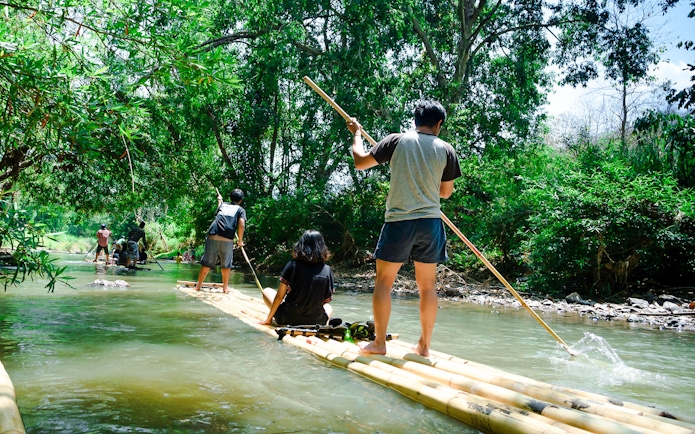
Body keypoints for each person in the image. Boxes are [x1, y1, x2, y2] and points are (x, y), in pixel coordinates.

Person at [347, 100, 462, 357]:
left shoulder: (396, 140)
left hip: (399, 221)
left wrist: (356, 134)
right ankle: (424, 346)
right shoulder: (447, 149)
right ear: (439, 123)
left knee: (384, 283)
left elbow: (360, 162)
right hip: (431, 222)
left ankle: (379, 344)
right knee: (428, 286)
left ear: (415, 120)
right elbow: (445, 193)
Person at [260, 230, 334, 326]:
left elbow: (279, 296)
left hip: (288, 318)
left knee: (267, 291)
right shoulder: (327, 270)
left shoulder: (292, 265)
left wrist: (269, 319)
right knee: (329, 307)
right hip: (315, 322)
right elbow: (325, 300)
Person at [193, 188, 246, 294]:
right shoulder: (240, 210)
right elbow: (241, 224)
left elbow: (219, 213)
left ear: (230, 198)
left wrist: (219, 201)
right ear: (240, 200)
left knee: (207, 262)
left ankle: (198, 286)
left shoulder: (223, 205)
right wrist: (240, 241)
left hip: (213, 234)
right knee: (226, 264)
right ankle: (225, 288)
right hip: (227, 238)